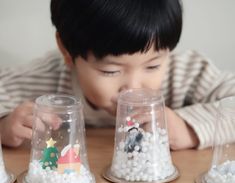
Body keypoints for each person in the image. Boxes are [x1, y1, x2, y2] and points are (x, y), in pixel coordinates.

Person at [0, 0, 234, 150]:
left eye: (152, 66)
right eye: (110, 71)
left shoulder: (187, 73)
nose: (133, 87)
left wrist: (188, 129)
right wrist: (4, 127)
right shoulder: (43, 79)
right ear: (67, 50)